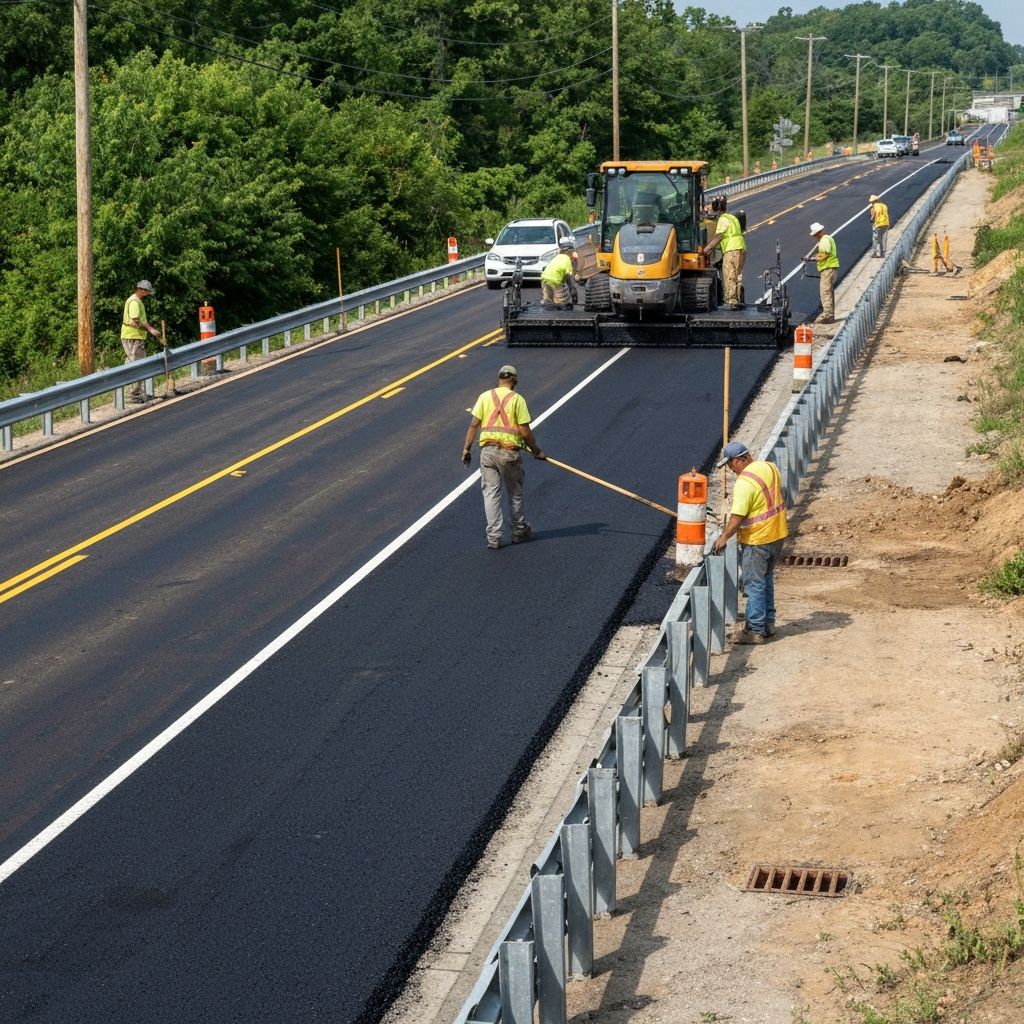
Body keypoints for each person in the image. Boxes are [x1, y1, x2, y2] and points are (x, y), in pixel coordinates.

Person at [711, 441, 788, 644]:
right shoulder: (769, 467)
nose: (730, 469)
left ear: (739, 460)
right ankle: (768, 624)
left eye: (731, 464)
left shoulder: (744, 483)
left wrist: (724, 537)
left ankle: (754, 630)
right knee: (766, 579)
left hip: (758, 540)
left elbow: (737, 516)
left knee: (754, 584)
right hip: (777, 534)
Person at [462, 365, 546, 549]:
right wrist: (536, 451)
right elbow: (524, 431)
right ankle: (519, 531)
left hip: (487, 453)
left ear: (499, 379)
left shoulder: (485, 397)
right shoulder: (517, 399)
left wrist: (466, 449)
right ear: (514, 381)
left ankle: (494, 538)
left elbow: (473, 425)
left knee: (491, 494)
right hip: (509, 453)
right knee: (515, 493)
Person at [702, 196, 747, 309]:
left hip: (731, 249)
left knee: (729, 274)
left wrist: (706, 250)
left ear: (716, 210)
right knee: (737, 275)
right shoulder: (732, 217)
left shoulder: (722, 219)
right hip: (741, 247)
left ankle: (731, 301)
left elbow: (719, 236)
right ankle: (738, 298)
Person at [121, 280, 161, 402]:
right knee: (138, 364)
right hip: (133, 337)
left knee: (134, 362)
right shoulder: (134, 302)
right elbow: (136, 320)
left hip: (134, 336)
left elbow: (141, 320)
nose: (148, 294)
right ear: (142, 290)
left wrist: (150, 328)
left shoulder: (136, 300)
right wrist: (150, 330)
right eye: (147, 292)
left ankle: (134, 392)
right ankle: (133, 394)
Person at [803, 222, 839, 324]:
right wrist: (812, 257)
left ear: (818, 233)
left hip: (828, 269)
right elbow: (822, 254)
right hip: (830, 269)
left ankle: (827, 315)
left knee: (825, 292)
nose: (814, 237)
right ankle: (830, 315)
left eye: (814, 234)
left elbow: (826, 254)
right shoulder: (826, 239)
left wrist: (813, 259)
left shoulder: (824, 240)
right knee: (829, 292)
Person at [540, 236, 577, 309]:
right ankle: (559, 314)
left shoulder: (557, 257)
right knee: (561, 301)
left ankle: (546, 312)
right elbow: (569, 280)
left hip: (544, 279)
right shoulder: (567, 260)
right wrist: (573, 294)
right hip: (555, 281)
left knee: (547, 299)